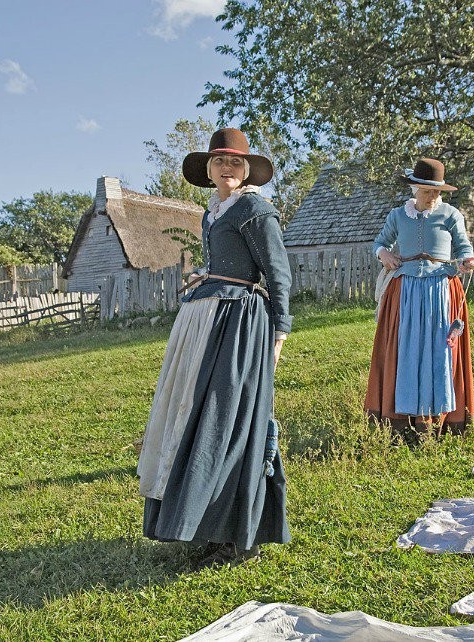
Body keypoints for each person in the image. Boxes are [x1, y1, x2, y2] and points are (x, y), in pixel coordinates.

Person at [137, 127, 292, 568]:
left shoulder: (255, 210)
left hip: (240, 325)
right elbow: (231, 263)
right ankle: (207, 523)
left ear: (247, 172)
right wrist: (208, 275)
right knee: (197, 416)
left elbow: (277, 274)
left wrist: (280, 331)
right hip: (208, 320)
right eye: (220, 161)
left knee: (232, 420)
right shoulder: (213, 212)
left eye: (235, 163)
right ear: (208, 169)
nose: (227, 168)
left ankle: (240, 535)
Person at [364, 158, 474, 439]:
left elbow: (463, 244)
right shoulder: (398, 216)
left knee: (439, 351)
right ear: (415, 188)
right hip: (406, 292)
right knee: (408, 350)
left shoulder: (451, 214)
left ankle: (437, 419)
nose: (433, 197)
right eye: (427, 191)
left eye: (437, 192)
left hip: (441, 288)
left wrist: (466, 260)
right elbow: (380, 243)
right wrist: (384, 254)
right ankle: (405, 421)